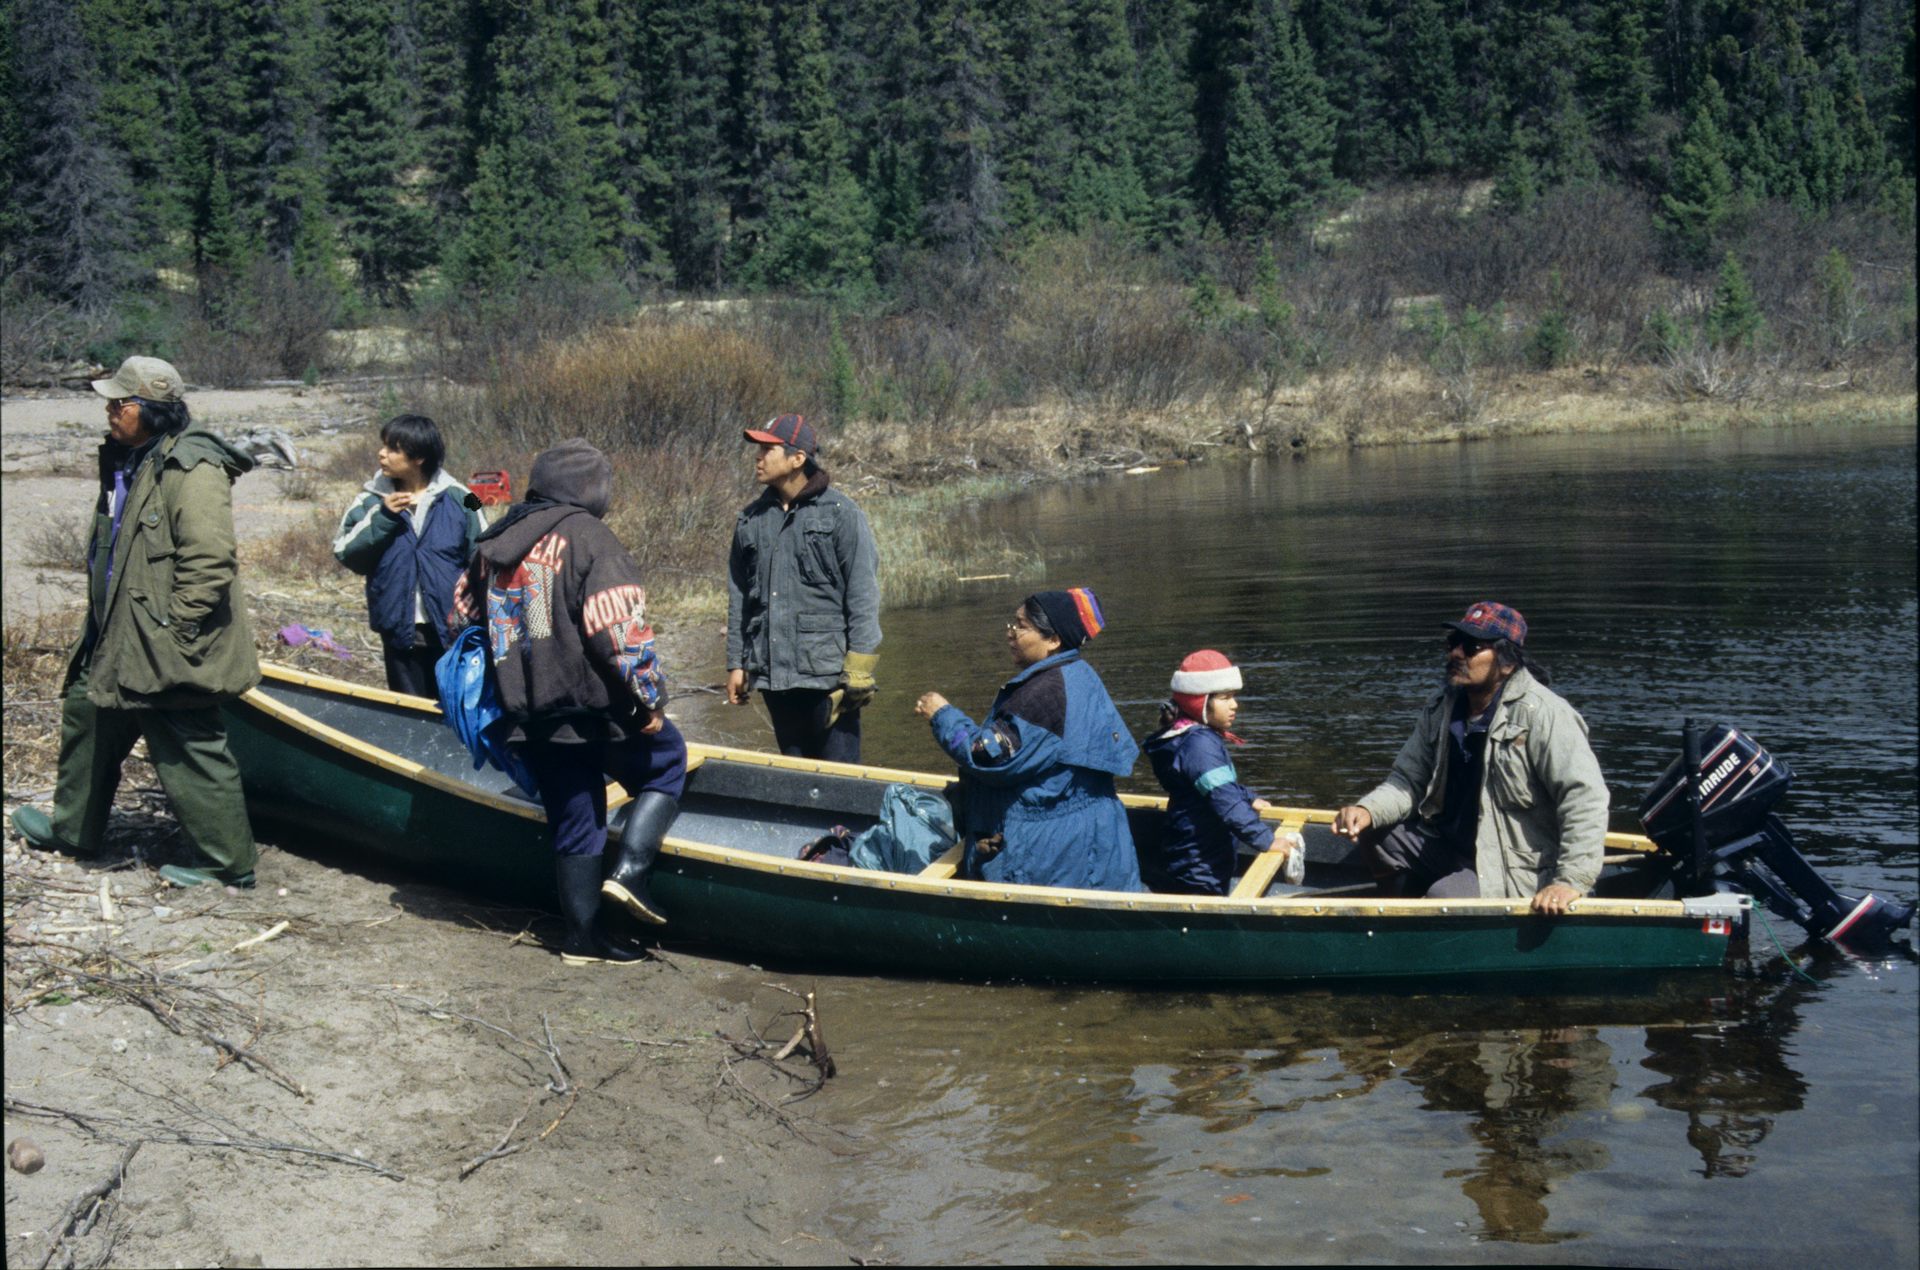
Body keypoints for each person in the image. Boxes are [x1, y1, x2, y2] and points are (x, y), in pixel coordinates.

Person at [8, 357, 261, 889]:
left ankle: (227, 866)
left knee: (188, 740)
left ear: (149, 409)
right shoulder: (133, 458)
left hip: (164, 637)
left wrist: (176, 628)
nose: (108, 410)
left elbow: (211, 559)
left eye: (118, 403)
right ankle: (73, 831)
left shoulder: (191, 467)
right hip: (117, 628)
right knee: (89, 711)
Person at [451, 439, 686, 964]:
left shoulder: (498, 538)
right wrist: (650, 699)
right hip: (595, 709)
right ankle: (631, 874)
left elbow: (460, 614)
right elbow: (618, 631)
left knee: (576, 813)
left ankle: (581, 938)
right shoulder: (589, 537)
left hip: (527, 711)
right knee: (668, 761)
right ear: (590, 491)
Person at [1330, 602, 1608, 915]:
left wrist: (1570, 880)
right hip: (1448, 846)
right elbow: (1408, 780)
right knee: (1374, 830)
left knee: (1443, 897)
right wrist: (1366, 810)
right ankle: (1397, 916)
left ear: (1507, 663)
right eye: (1453, 644)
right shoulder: (1442, 706)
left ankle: (1423, 920)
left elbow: (1585, 799)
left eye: (1472, 647)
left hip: (1509, 865)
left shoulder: (1545, 715)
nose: (1457, 654)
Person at [913, 589, 1142, 891]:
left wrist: (942, 715)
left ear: (1053, 640)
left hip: (1053, 853)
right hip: (1092, 839)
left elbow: (985, 756)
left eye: (1021, 626)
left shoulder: (1043, 695)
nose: (1010, 634)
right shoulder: (1079, 673)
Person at [725, 413, 881, 762]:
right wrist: (736, 663)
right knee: (795, 779)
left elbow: (863, 594)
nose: (758, 457)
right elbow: (739, 596)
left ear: (798, 459)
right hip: (773, 677)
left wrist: (859, 669)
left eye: (768, 449)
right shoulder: (750, 520)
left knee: (840, 784)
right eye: (758, 449)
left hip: (829, 678)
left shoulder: (842, 513)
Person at [331, 414, 484, 697]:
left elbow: (486, 552)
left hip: (451, 630)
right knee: (408, 712)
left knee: (454, 709)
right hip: (398, 626)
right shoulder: (369, 500)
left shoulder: (464, 496)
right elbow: (344, 552)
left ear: (419, 458)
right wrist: (384, 516)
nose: (381, 454)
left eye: (392, 449)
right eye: (383, 446)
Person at [1141, 650, 1302, 895]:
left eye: (1233, 697)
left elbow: (1212, 785)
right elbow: (1223, 798)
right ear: (1201, 703)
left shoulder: (1191, 738)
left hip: (1197, 852)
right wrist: (1267, 840)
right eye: (1225, 698)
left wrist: (1247, 796)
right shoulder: (1200, 746)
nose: (1234, 705)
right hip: (1200, 860)